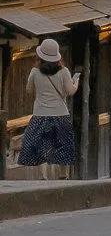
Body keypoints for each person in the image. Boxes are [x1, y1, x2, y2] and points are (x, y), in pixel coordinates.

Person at [17, 38, 80, 179]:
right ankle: (63, 175)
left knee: (39, 144)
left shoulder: (35, 72)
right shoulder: (64, 72)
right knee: (62, 143)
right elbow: (70, 91)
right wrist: (76, 82)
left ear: (40, 56)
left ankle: (42, 176)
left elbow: (28, 90)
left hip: (40, 114)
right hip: (61, 114)